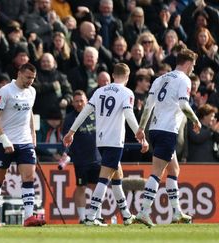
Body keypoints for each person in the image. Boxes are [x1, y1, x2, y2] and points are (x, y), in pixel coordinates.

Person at [63, 63, 149, 226]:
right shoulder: (126, 92)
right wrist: (140, 133)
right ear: (128, 76)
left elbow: (85, 112)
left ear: (113, 74)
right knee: (104, 178)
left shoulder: (99, 91)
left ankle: (125, 215)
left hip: (101, 141)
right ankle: (90, 216)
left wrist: (71, 132)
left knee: (117, 177)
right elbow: (129, 114)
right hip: (115, 141)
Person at [135, 48, 202, 227]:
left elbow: (148, 105)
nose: (193, 69)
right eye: (193, 65)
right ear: (187, 63)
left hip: (155, 129)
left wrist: (142, 127)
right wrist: (195, 120)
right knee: (157, 172)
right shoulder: (184, 79)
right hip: (168, 130)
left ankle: (177, 212)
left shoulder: (160, 78)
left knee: (174, 170)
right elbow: (183, 104)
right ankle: (143, 211)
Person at [0, 63, 46, 227]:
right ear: (19, 73)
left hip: (25, 141)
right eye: (28, 77)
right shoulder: (5, 91)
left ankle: (28, 216)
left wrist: (33, 136)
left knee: (28, 177)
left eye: (33, 79)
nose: (30, 81)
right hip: (5, 141)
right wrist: (4, 139)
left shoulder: (32, 92)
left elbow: (30, 114)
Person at [62, 90, 103, 224]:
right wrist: (65, 152)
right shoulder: (69, 118)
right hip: (80, 159)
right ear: (73, 103)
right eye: (76, 101)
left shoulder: (95, 114)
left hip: (96, 157)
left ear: (87, 101)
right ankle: (82, 218)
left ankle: (97, 215)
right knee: (81, 187)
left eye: (82, 100)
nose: (79, 103)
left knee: (97, 188)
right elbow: (66, 139)